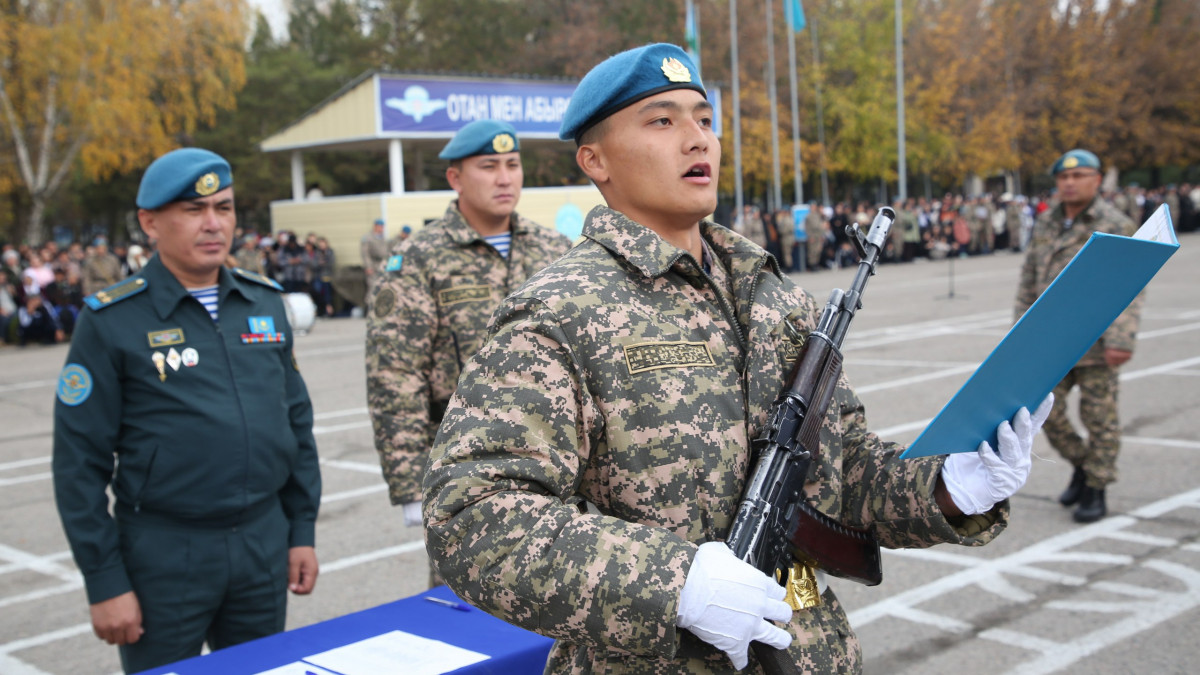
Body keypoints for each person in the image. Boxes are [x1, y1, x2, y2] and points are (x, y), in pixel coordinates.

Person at [423, 43, 1052, 674]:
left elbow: (842, 470)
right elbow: (473, 513)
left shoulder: (771, 294)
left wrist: (949, 486)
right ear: (596, 160)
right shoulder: (558, 312)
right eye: (661, 121)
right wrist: (676, 584)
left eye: (703, 118)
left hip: (811, 652)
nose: (697, 140)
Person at [52, 147, 321, 674]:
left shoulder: (263, 303)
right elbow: (77, 464)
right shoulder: (112, 320)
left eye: (224, 207)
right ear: (150, 222)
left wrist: (301, 529)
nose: (213, 223)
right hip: (165, 553)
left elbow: (295, 424)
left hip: (262, 543)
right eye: (194, 211)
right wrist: (105, 581)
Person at [365, 119, 571, 561]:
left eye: (513, 165)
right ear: (455, 178)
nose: (504, 178)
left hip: (556, 462)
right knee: (469, 609)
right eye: (488, 166)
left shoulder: (554, 250)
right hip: (466, 470)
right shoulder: (419, 260)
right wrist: (406, 482)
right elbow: (396, 374)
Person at [1015, 149, 1140, 524]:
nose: (1069, 182)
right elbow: (1028, 280)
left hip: (1096, 339)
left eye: (1079, 175)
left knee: (1099, 417)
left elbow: (1131, 283)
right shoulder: (1047, 222)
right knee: (1043, 413)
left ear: (1098, 180)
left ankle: (1096, 488)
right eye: (1063, 177)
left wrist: (1122, 337)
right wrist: (1020, 334)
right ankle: (1084, 467)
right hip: (1051, 340)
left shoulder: (1115, 224)